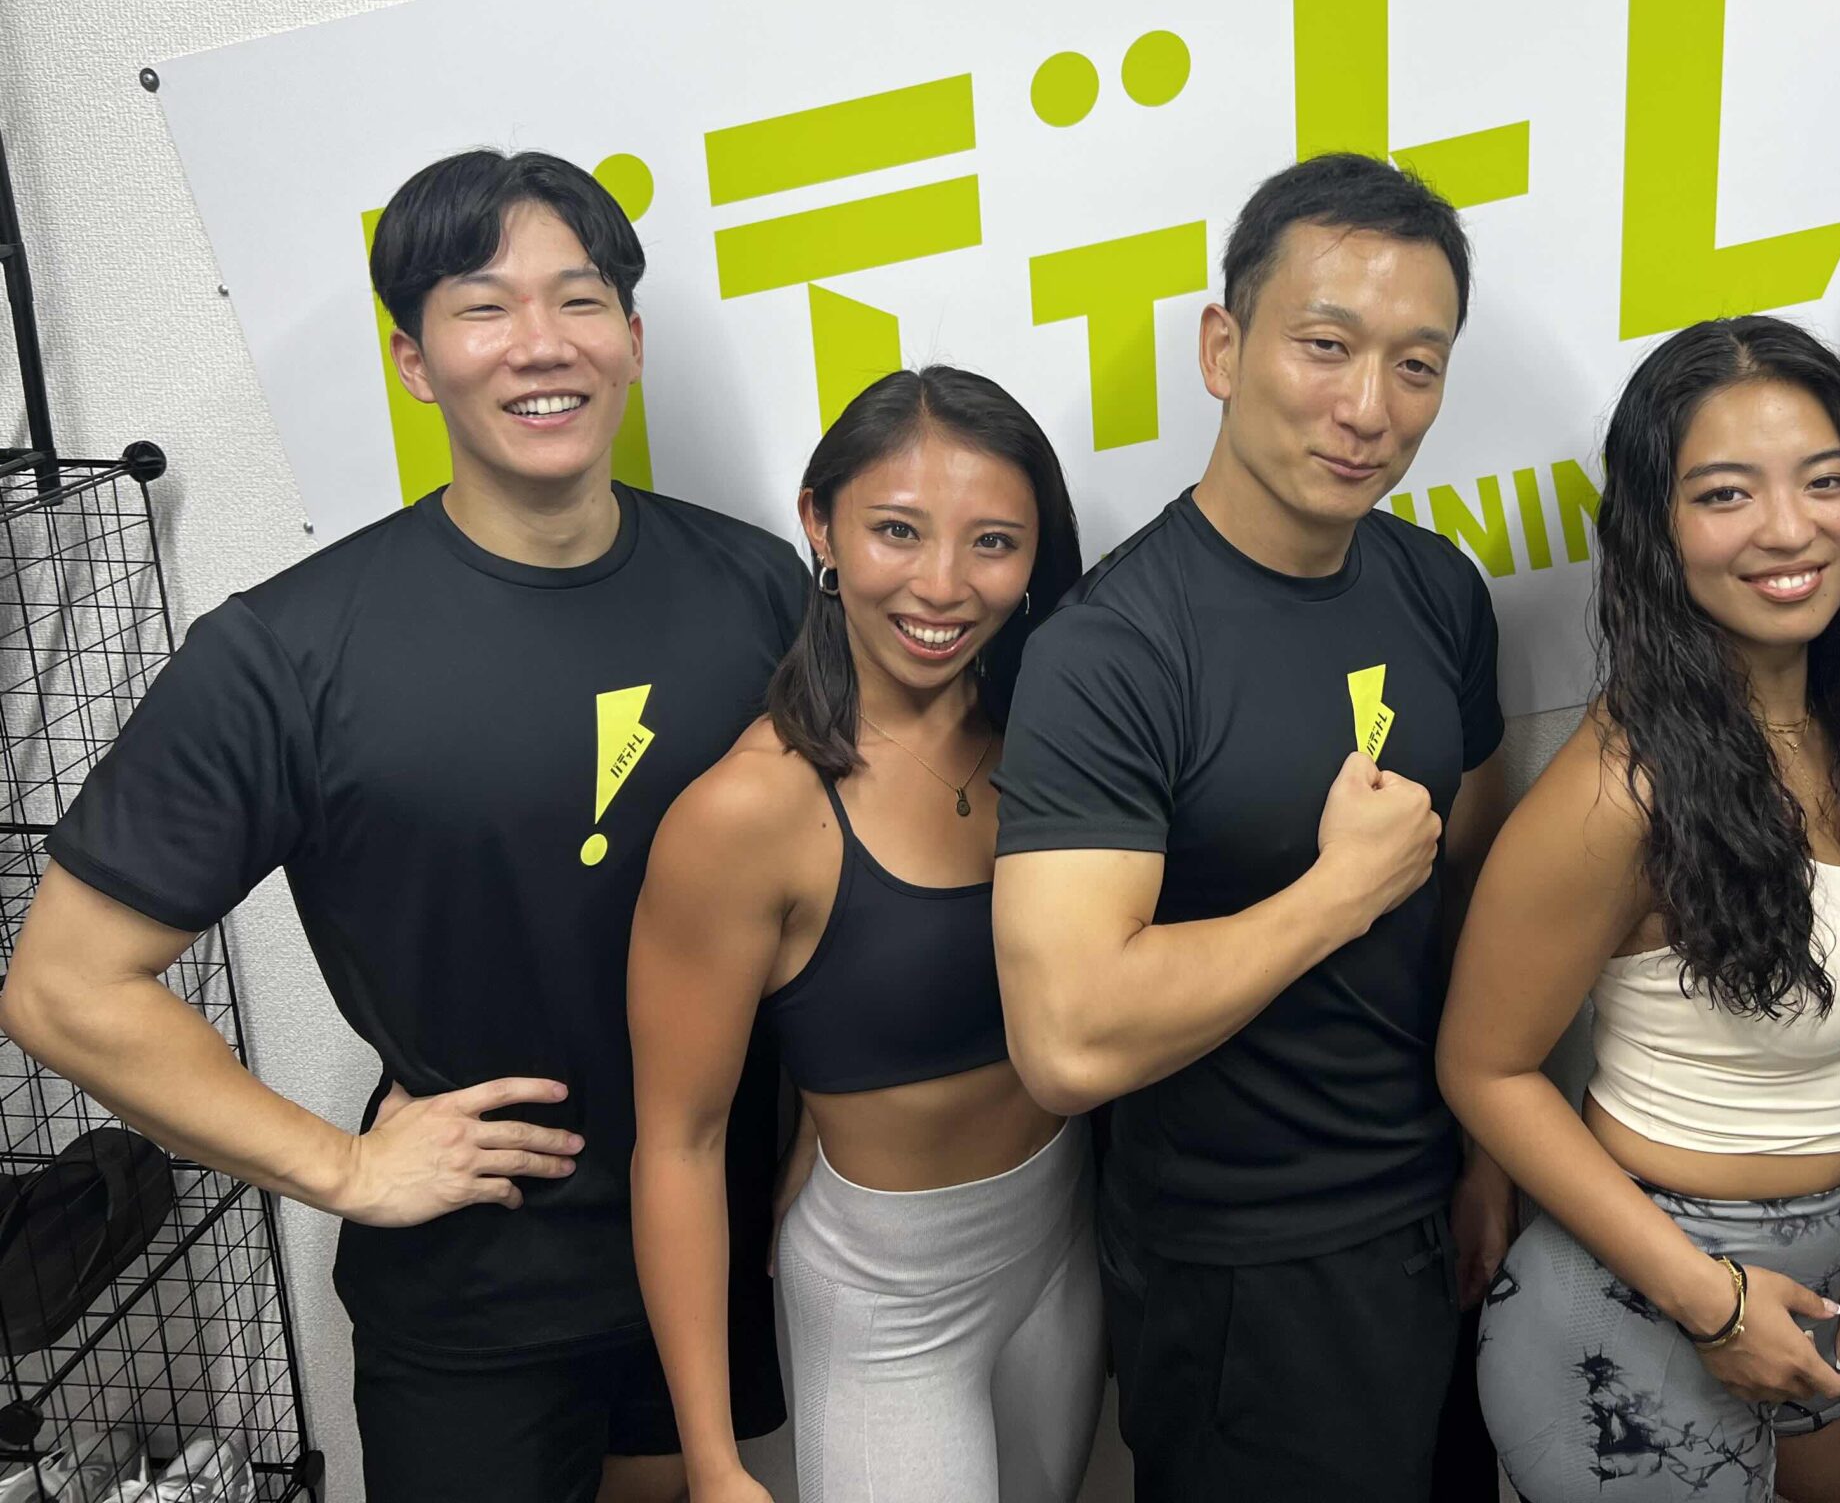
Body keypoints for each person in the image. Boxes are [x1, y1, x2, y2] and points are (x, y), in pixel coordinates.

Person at [0, 151, 799, 1503]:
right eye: (483, 307)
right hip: (477, 1296)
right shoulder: (288, 653)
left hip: (717, 1249)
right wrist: (345, 1168)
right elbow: (64, 988)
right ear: (414, 361)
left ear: (630, 336)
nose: (540, 343)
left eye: (579, 299)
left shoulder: (756, 586)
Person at [989, 152, 1514, 1501]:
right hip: (1243, 1271)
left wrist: (1485, 1148)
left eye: (1416, 365)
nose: (1368, 408)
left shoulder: (1436, 587)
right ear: (1223, 348)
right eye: (1325, 346)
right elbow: (1066, 1040)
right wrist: (1336, 895)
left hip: (1430, 1214)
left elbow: (1470, 880)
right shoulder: (1111, 652)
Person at [1440, 316, 1840, 1503]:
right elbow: (1483, 1067)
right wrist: (1712, 1302)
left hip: (1831, 1264)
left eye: (1823, 481)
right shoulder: (1617, 788)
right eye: (1725, 494)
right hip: (1636, 1298)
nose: (1787, 528)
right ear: (1656, 527)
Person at [629, 366, 1099, 1503]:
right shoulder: (749, 811)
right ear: (820, 525)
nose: (942, 585)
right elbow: (680, 1144)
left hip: (1060, 1243)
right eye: (897, 530)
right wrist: (712, 1462)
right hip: (889, 1309)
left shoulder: (1058, 738)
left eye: (993, 543)